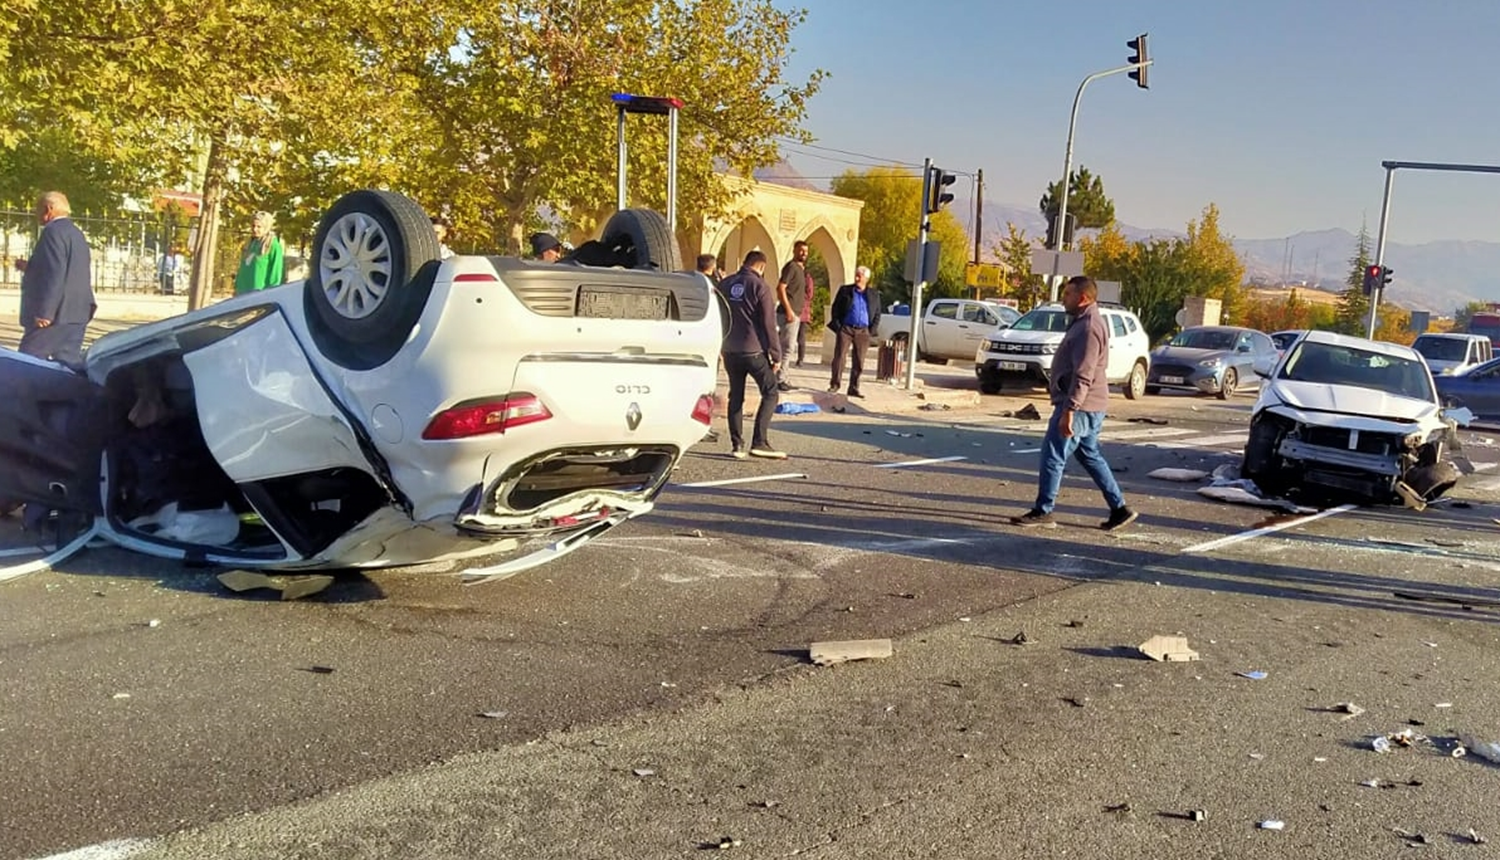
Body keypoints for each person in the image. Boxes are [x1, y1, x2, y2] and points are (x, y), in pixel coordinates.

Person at [1011, 275, 1137, 532]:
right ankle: (1119, 509)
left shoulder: (1089, 327)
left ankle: (1043, 511)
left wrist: (1070, 409)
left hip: (1081, 406)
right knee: (1090, 455)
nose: (1063, 299)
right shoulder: (1084, 322)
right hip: (1089, 405)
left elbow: (1084, 373)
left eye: (1067, 294)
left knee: (1053, 454)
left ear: (1083, 298)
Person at [15, 191, 95, 367]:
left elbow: (55, 273)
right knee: (67, 367)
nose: (36, 214)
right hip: (76, 312)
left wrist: (45, 312)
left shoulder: (52, 232)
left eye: (37, 209)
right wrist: (30, 268)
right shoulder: (76, 233)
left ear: (48, 208)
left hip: (55, 315)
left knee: (26, 363)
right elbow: (68, 269)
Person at [719, 250, 785, 459]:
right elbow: (768, 323)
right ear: (761, 267)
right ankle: (760, 441)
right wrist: (775, 353)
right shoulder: (760, 287)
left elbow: (718, 315)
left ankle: (737, 445)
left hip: (730, 350)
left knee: (735, 395)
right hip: (753, 350)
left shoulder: (725, 284)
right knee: (770, 391)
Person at [827, 266, 881, 398]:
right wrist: (839, 326)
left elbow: (877, 313)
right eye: (856, 275)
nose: (857, 278)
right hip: (846, 328)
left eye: (860, 276)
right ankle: (835, 384)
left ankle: (854, 387)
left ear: (866, 279)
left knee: (859, 360)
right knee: (839, 357)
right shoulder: (845, 290)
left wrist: (870, 330)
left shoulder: (873, 294)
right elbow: (835, 308)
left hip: (863, 331)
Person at [774, 240, 809, 391]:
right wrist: (789, 310)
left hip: (796, 314)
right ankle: (780, 379)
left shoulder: (801, 269)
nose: (804, 253)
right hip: (788, 314)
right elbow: (781, 288)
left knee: (789, 347)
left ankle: (783, 377)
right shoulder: (791, 267)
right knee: (786, 347)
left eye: (806, 251)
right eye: (801, 250)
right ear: (794, 250)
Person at [233, 211, 285, 294]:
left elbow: (275, 272)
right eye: (253, 226)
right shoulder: (250, 243)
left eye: (259, 227)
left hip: (258, 294)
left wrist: (271, 292)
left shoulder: (272, 245)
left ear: (266, 227)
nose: (255, 229)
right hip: (242, 292)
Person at [796, 262, 814, 366]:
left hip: (803, 311)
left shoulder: (807, 278)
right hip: (792, 310)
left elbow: (810, 294)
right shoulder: (793, 277)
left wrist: (799, 296)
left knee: (801, 336)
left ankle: (800, 358)